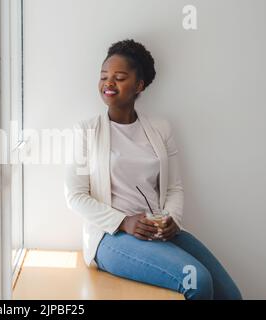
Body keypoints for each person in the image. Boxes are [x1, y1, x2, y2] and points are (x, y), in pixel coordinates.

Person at [64, 39, 242, 300]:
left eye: (119, 77)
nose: (108, 83)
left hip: (156, 229)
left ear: (139, 85)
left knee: (230, 294)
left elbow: (173, 187)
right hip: (110, 237)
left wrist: (172, 220)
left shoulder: (161, 129)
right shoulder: (86, 131)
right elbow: (75, 196)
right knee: (198, 281)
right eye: (104, 76)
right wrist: (124, 222)